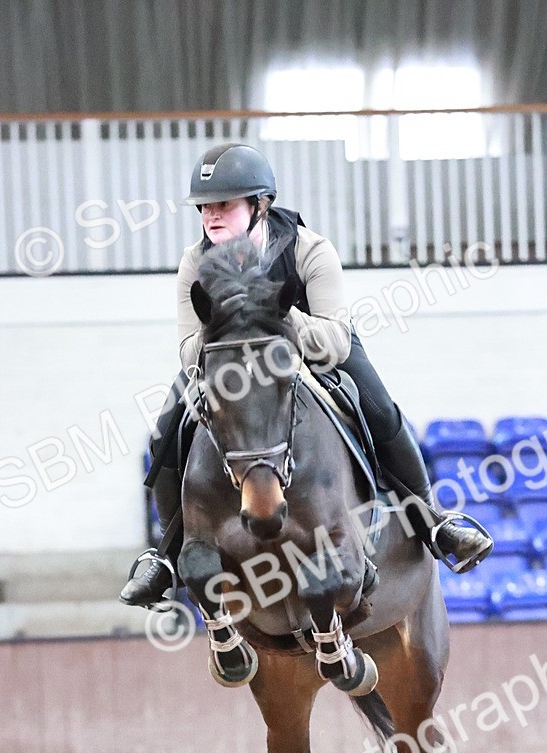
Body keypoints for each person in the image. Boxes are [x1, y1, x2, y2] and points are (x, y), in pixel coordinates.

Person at [120, 142, 491, 607]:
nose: (211, 215)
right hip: (227, 360)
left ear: (260, 205)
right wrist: (230, 329)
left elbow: (335, 338)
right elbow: (187, 351)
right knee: (164, 431)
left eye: (224, 204)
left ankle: (432, 521)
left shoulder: (310, 249)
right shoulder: (195, 262)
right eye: (205, 207)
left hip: (316, 350)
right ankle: (166, 555)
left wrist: (278, 320)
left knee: (380, 409)